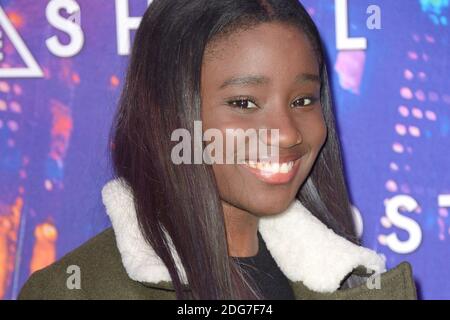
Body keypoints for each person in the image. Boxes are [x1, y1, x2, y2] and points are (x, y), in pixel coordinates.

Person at [19, 0, 417, 300]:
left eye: (302, 101)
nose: (286, 134)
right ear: (167, 111)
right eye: (244, 103)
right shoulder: (76, 290)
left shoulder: (353, 281)